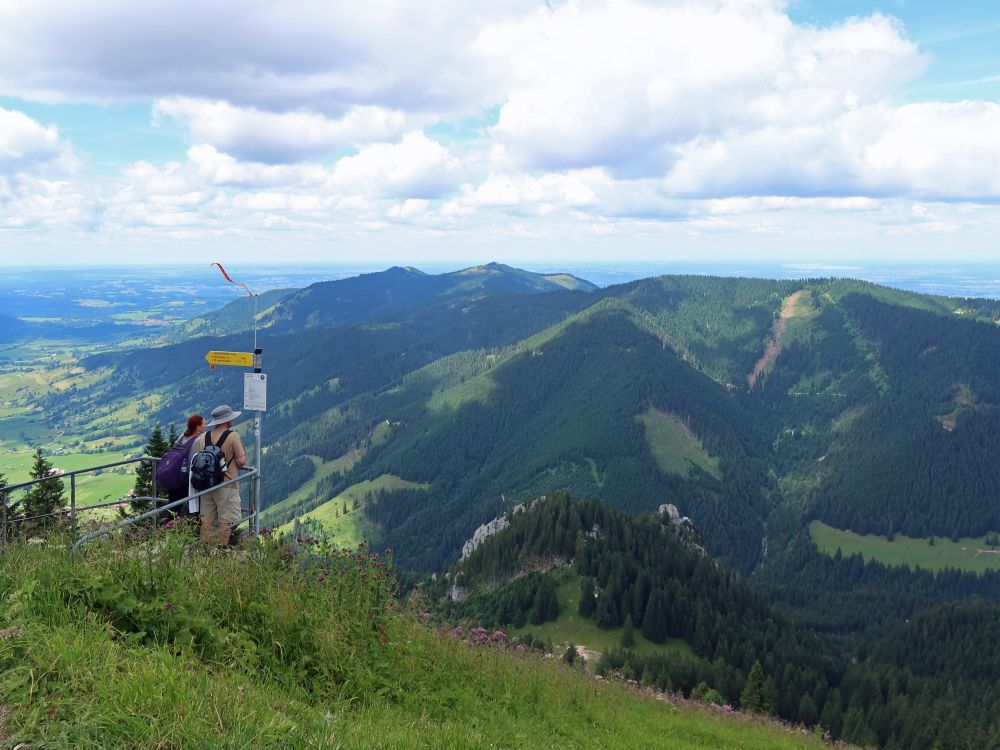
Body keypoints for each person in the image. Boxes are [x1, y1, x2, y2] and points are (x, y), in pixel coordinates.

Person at [194, 404, 247, 546]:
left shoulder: (204, 436)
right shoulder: (232, 436)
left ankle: (205, 550)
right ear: (227, 420)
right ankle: (221, 552)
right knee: (225, 520)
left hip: (207, 485)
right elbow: (241, 461)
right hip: (227, 485)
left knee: (206, 520)